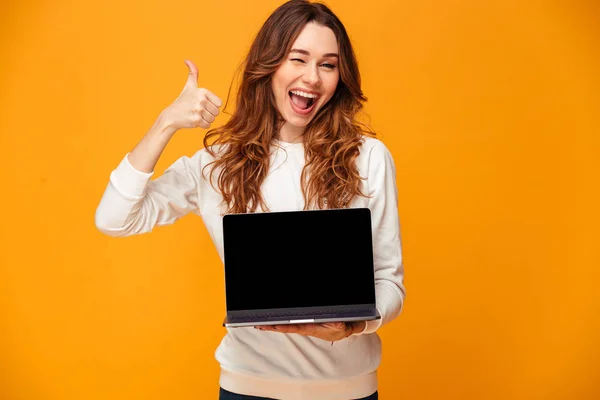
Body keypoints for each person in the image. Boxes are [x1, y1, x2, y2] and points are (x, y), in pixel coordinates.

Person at [95, 0, 405, 399]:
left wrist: (352, 326)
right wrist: (166, 122)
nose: (312, 77)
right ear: (270, 64)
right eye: (299, 59)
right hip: (247, 388)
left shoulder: (367, 157)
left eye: (328, 65)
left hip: (347, 390)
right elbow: (114, 218)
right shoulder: (217, 165)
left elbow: (389, 283)